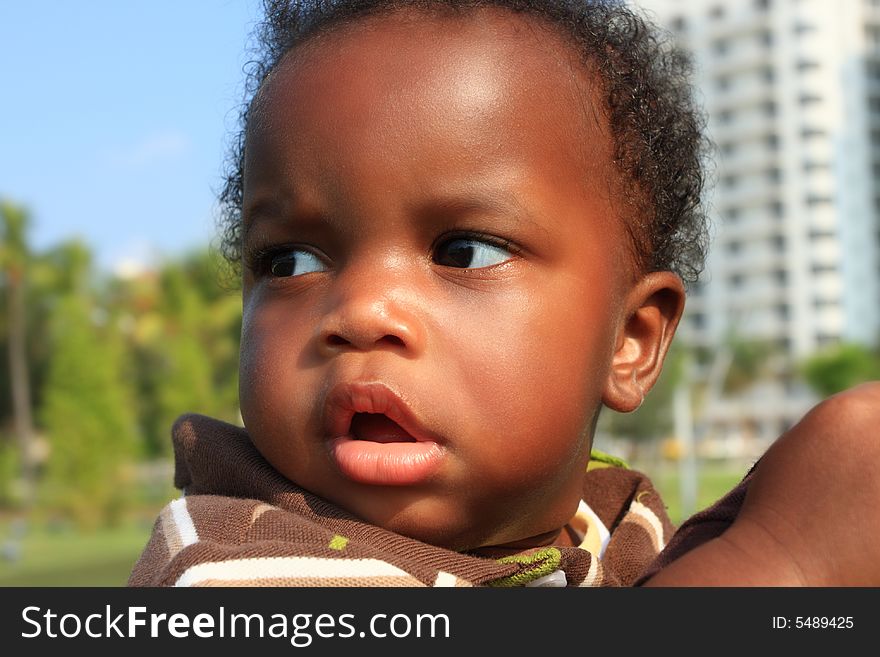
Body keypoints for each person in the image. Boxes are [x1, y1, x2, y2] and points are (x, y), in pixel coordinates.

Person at [129, 0, 880, 587]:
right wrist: (782, 561)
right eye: (289, 261)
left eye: (463, 250)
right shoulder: (233, 566)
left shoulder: (617, 532)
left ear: (631, 340)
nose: (360, 311)